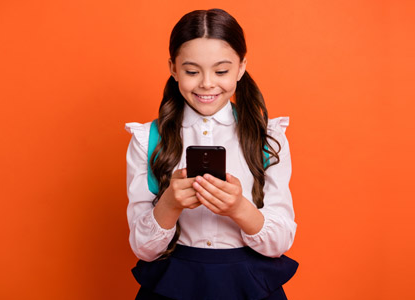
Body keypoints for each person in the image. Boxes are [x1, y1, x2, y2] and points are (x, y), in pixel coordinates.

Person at [123, 8, 298, 300]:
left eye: (221, 71)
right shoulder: (147, 140)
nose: (206, 83)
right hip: (173, 284)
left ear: (241, 67)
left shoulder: (268, 137)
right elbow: (143, 249)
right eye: (192, 71)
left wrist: (239, 209)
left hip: (249, 284)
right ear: (173, 68)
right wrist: (170, 203)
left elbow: (280, 242)